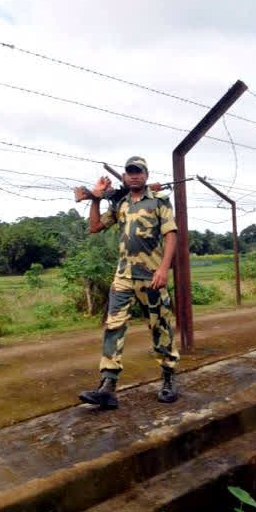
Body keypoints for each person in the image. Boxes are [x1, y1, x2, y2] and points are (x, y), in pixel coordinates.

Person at [77, 156, 180, 409]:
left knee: (160, 327)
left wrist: (164, 269)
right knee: (114, 326)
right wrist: (96, 198)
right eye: (130, 172)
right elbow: (95, 227)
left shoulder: (159, 201)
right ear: (125, 176)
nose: (134, 176)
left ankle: (168, 378)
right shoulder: (120, 203)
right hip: (123, 276)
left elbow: (171, 236)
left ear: (145, 175)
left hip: (152, 276)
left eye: (138, 172)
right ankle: (108, 386)